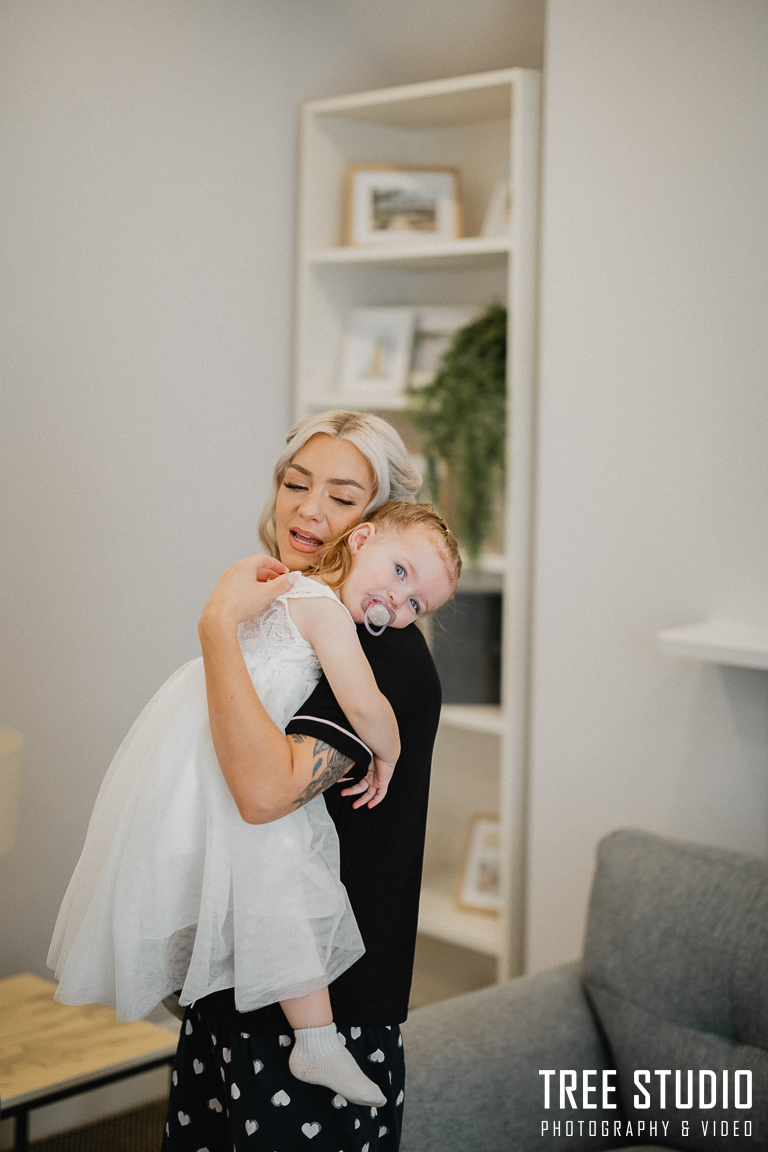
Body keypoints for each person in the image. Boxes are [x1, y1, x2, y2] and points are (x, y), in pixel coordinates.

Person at [49, 496, 459, 1112]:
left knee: (206, 871)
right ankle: (315, 1040)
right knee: (285, 876)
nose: (396, 603)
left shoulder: (275, 587)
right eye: (400, 572)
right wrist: (392, 753)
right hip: (249, 756)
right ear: (361, 538)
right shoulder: (327, 613)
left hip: (199, 752)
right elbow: (365, 704)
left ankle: (192, 981)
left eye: (416, 604)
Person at [159, 411, 448, 1151]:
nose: (310, 509)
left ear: (376, 523)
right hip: (236, 989)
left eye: (342, 496)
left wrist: (216, 628)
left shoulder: (382, 652)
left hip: (325, 1014)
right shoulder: (286, 609)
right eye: (296, 484)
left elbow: (264, 795)